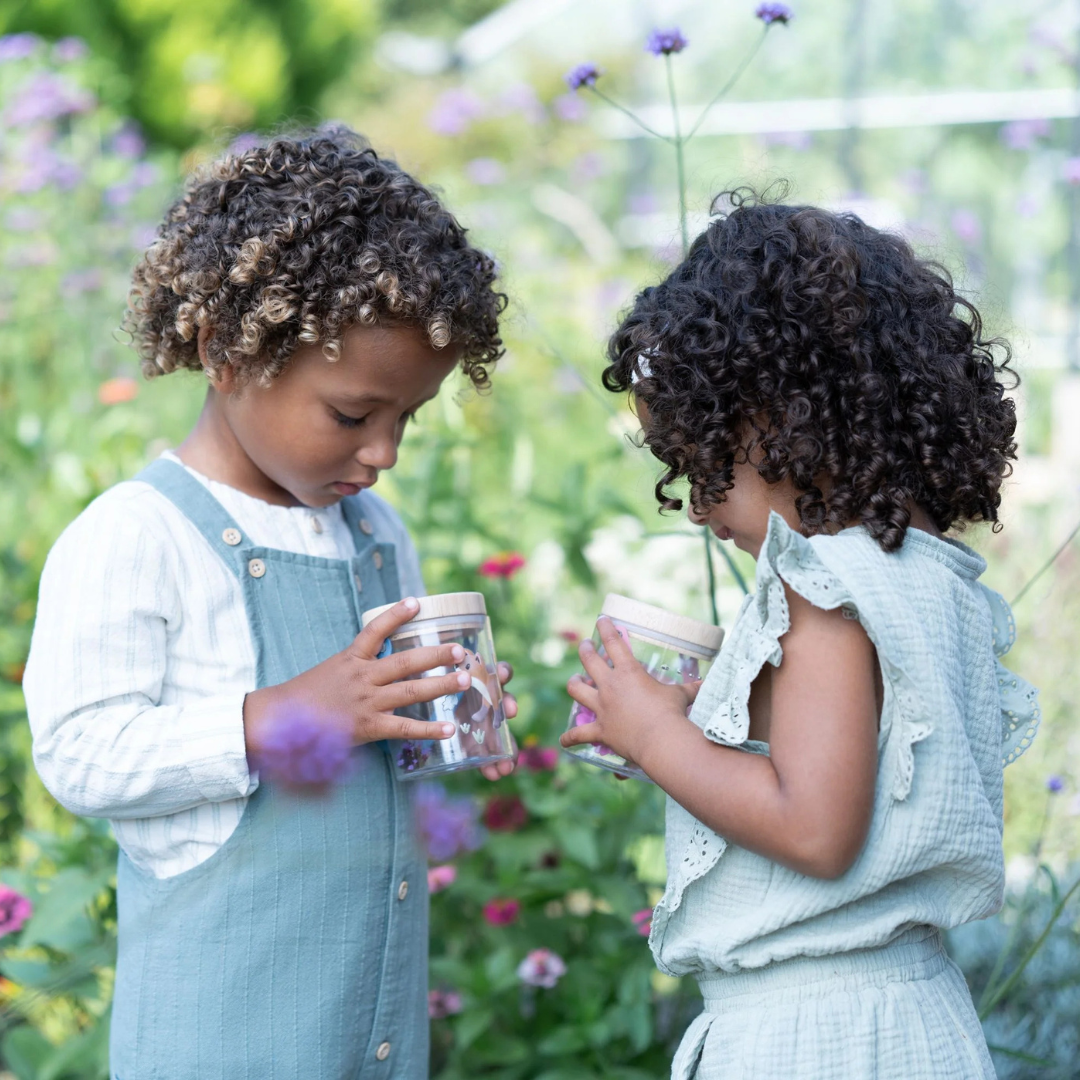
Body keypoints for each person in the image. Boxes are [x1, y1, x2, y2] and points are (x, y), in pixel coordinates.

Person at [25, 126, 516, 1079]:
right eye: (352, 415)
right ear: (222, 351)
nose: (384, 453)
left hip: (366, 1032)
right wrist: (281, 718)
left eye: (406, 419)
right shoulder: (138, 535)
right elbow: (79, 752)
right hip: (221, 1041)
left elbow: (377, 735)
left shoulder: (377, 536)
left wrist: (443, 707)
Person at [561, 191, 1040, 1079]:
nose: (701, 509)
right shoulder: (924, 578)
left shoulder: (823, 583)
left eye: (707, 465)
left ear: (784, 420)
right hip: (906, 1018)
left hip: (815, 1038)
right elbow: (846, 769)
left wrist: (658, 738)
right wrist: (698, 726)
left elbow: (816, 830)